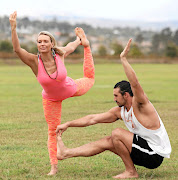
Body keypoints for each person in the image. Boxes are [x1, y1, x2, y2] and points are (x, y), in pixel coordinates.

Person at [56, 39, 172, 179]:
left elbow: (134, 82)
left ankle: (131, 172)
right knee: (108, 141)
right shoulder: (120, 111)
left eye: (116, 96)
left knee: (117, 133)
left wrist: (123, 58)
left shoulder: (141, 105)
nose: (114, 99)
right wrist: (68, 124)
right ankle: (66, 153)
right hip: (143, 150)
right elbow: (92, 119)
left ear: (126, 95)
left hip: (154, 154)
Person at [9, 11, 95, 175]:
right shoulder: (34, 62)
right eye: (39, 41)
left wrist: (79, 41)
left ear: (51, 43)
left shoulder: (60, 54)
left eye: (45, 41)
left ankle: (87, 45)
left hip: (71, 88)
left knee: (90, 79)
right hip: (51, 99)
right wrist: (14, 28)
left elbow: (70, 47)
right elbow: (17, 49)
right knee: (52, 131)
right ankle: (54, 167)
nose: (42, 44)